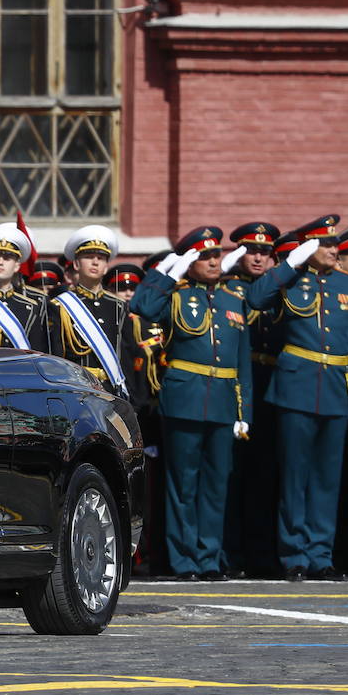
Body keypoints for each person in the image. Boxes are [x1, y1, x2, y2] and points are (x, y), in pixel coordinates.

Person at [132, 226, 251, 581]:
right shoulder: (176, 296)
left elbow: (241, 361)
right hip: (184, 399)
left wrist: (244, 413)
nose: (214, 261)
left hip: (224, 402)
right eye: (205, 257)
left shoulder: (233, 299)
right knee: (183, 485)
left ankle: (209, 558)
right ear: (191, 262)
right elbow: (142, 306)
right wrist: (169, 272)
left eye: (216, 256)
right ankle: (184, 560)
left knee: (216, 484)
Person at [245, 216, 348, 581]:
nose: (335, 251)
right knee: (295, 477)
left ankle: (321, 555)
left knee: (327, 479)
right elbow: (255, 298)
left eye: (336, 245)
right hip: (296, 388)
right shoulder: (290, 280)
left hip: (337, 388)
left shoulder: (344, 284)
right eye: (327, 245)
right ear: (310, 248)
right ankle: (295, 556)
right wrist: (290, 263)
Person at [220, 222, 282, 577]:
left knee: (266, 473)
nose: (258, 257)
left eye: (264, 252)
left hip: (272, 384)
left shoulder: (280, 290)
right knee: (233, 474)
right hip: (238, 386)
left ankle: (261, 554)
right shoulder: (228, 289)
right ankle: (231, 553)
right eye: (251, 251)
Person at [50, 226, 128, 395]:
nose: (95, 262)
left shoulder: (118, 306)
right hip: (78, 388)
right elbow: (56, 355)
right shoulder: (60, 306)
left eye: (100, 258)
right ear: (76, 264)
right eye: (88, 257)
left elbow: (126, 353)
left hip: (113, 389)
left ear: (106, 266)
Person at [0, 223, 47, 351]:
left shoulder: (30, 307)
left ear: (17, 266)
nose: (0, 262)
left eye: (7, 258)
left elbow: (38, 352)